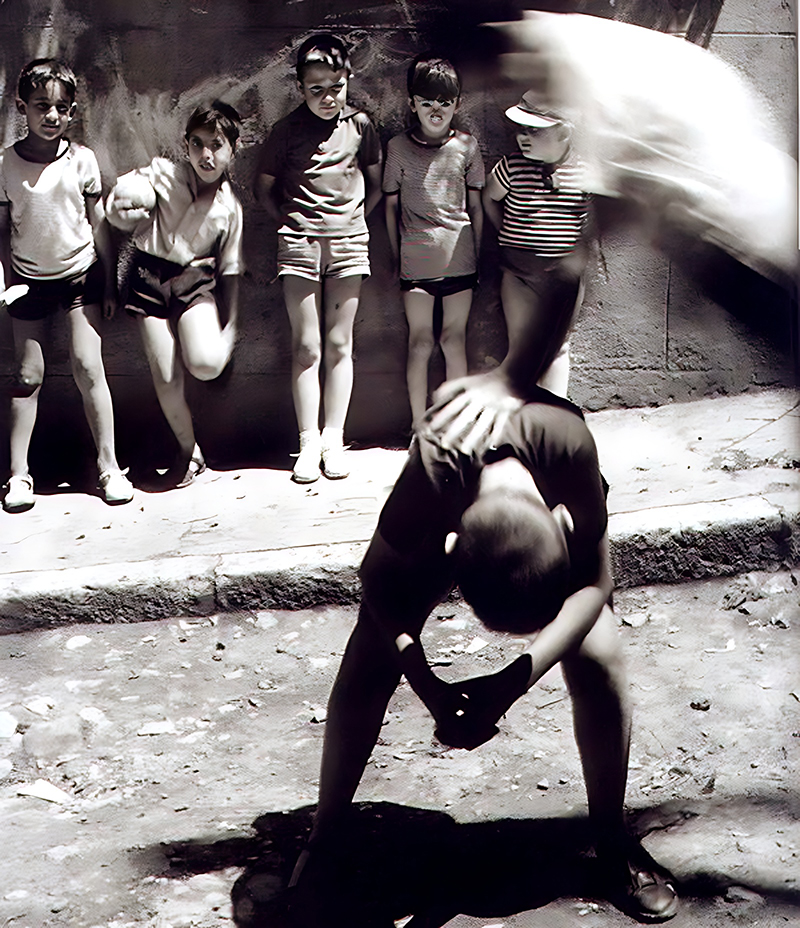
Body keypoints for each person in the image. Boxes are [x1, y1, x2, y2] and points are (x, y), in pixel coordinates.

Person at [290, 388, 678, 923]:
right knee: (370, 652)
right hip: (450, 503)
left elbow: (595, 582)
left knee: (601, 654)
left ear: (563, 522)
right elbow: (376, 577)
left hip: (519, 495)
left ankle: (611, 841)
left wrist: (515, 679)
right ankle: (326, 835)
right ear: (450, 550)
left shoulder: (567, 444)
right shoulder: (433, 465)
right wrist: (423, 680)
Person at [0, 59, 133, 513]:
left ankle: (110, 467)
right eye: (41, 106)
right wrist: (8, 278)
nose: (51, 116)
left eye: (61, 107)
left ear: (72, 112)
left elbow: (99, 224)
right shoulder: (6, 163)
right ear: (23, 108)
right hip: (28, 282)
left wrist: (112, 282)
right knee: (26, 377)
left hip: (81, 277)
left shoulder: (82, 160)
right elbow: (3, 228)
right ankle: (18, 476)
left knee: (88, 367)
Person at [255, 33, 382, 483]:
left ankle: (334, 438)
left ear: (348, 78)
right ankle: (307, 442)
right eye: (316, 90)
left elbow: (374, 183)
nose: (328, 98)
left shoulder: (362, 126)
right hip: (300, 245)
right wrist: (294, 225)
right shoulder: (286, 132)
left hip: (349, 242)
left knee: (340, 344)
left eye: (336, 86)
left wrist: (349, 223)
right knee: (307, 347)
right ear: (299, 88)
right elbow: (263, 189)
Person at [106, 101, 242, 488]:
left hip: (195, 280)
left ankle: (219, 345)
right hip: (148, 276)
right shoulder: (164, 173)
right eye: (197, 144)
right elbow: (126, 194)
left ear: (233, 148)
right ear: (185, 146)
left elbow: (231, 269)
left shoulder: (229, 208)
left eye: (216, 145)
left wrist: (233, 323)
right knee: (165, 376)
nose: (206, 154)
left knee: (206, 362)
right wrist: (126, 202)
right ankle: (189, 451)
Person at [383, 55, 484, 426]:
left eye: (444, 101)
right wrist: (397, 258)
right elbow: (390, 209)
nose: (435, 109)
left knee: (453, 341)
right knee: (420, 342)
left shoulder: (467, 147)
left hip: (460, 260)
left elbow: (477, 208)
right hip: (416, 263)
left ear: (457, 103)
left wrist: (480, 253)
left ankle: (455, 424)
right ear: (412, 104)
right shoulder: (397, 147)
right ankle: (417, 424)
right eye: (426, 101)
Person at [482, 92, 590, 398]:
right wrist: (504, 230)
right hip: (519, 274)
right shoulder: (512, 168)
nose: (522, 137)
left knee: (558, 346)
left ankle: (555, 415)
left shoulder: (584, 173)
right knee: (521, 347)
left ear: (564, 133)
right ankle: (528, 422)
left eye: (534, 130)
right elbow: (489, 198)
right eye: (521, 129)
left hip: (562, 278)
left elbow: (593, 219)